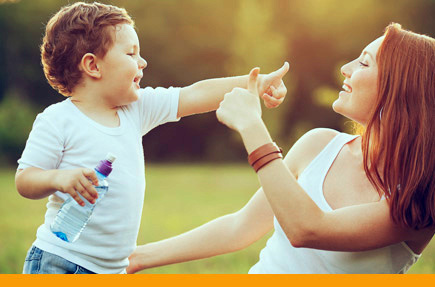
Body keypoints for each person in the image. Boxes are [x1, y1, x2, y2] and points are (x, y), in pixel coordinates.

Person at [127, 23, 435, 274]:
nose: (345, 68)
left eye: (364, 62)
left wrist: (252, 127)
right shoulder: (319, 145)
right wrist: (135, 259)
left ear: (400, 89)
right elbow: (240, 227)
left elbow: (307, 230)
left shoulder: (417, 198)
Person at [15, 2, 289, 274]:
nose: (142, 62)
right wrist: (58, 178)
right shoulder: (58, 120)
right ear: (93, 66)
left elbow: (195, 94)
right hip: (59, 262)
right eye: (131, 53)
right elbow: (25, 180)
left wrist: (258, 82)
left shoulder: (137, 109)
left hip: (113, 271)